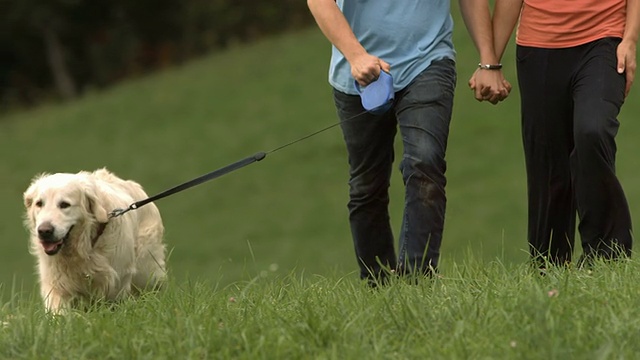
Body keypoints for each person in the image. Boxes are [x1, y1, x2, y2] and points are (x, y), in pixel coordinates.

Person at [306, 0, 508, 283]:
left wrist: (488, 60)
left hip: (427, 61)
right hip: (358, 73)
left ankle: (417, 280)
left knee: (425, 161)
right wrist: (356, 56)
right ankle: (378, 285)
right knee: (366, 186)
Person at [474, 0, 638, 266]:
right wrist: (490, 63)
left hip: (604, 41)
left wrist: (629, 39)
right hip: (538, 48)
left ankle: (608, 255)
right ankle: (548, 267)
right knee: (547, 163)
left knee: (592, 130)